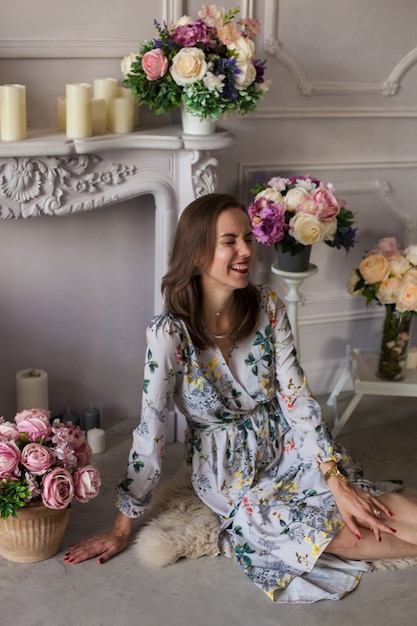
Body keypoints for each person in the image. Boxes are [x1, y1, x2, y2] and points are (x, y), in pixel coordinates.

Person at [65, 193, 417, 603]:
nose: (246, 250)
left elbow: (297, 399)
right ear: (197, 254)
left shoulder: (267, 306)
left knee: (363, 502)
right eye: (229, 241)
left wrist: (332, 476)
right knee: (328, 535)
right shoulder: (169, 335)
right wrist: (122, 528)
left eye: (248, 238)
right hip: (228, 472)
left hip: (286, 442)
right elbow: (151, 431)